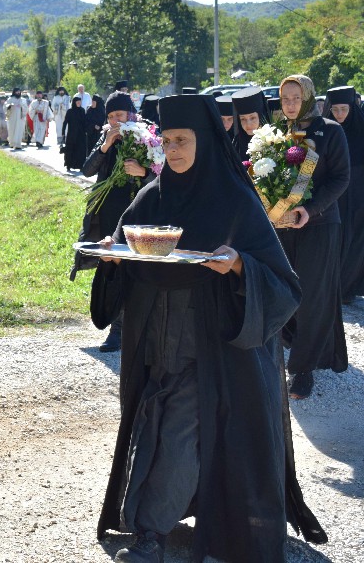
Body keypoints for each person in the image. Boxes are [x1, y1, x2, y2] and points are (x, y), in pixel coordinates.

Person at [91, 92, 327, 563]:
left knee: (181, 432)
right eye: (167, 141)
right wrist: (111, 256)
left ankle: (150, 535)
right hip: (155, 341)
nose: (173, 150)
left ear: (204, 141)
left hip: (212, 345)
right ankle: (163, 518)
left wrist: (239, 265)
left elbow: (283, 284)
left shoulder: (236, 201)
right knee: (153, 427)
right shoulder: (152, 196)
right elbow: (125, 247)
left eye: (182, 140)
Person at [276, 74, 350, 399]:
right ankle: (297, 343)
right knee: (285, 290)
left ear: (308, 97)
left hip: (319, 224)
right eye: (285, 99)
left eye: (297, 97)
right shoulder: (279, 133)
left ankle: (302, 369)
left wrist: (311, 209)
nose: (291, 104)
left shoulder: (331, 131)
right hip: (284, 225)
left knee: (312, 297)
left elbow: (341, 178)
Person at [72, 92, 152, 353]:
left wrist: (143, 172)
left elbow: (163, 173)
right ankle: (117, 330)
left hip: (138, 211)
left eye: (120, 115)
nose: (116, 120)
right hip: (109, 213)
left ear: (131, 114)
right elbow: (87, 170)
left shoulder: (146, 134)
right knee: (114, 267)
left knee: (138, 268)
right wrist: (105, 145)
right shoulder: (106, 136)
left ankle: (138, 326)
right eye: (111, 116)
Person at [323, 85, 364, 302]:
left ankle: (347, 288)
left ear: (351, 108)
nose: (339, 114)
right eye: (335, 109)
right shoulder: (324, 132)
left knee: (356, 242)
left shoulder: (361, 130)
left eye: (344, 109)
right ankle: (332, 287)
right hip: (333, 197)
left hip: (358, 198)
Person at [231, 86, 270, 160]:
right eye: (243, 119)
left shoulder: (273, 142)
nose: (248, 124)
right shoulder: (236, 146)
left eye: (252, 118)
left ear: (261, 117)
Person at [61, 95, 88, 171]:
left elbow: (84, 122)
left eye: (80, 102)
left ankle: (80, 166)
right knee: (70, 150)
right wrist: (63, 132)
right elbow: (65, 122)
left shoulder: (82, 110)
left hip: (81, 134)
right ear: (74, 102)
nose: (79, 103)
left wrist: (86, 131)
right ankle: (68, 165)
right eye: (77, 102)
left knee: (80, 150)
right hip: (71, 134)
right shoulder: (70, 111)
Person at [85, 93, 106, 159]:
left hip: (99, 134)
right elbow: (86, 121)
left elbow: (104, 121)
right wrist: (93, 126)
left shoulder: (102, 111)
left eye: (94, 102)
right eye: (92, 102)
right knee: (90, 149)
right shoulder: (89, 110)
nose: (92, 103)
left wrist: (100, 127)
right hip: (90, 133)